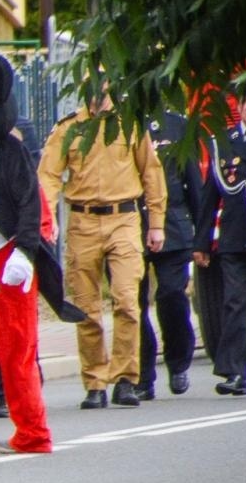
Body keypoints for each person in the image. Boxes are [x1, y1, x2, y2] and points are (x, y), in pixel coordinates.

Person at [39, 86, 167, 407]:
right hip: (82, 221)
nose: (98, 94)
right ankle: (95, 382)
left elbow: (151, 171)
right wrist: (45, 218)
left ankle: (125, 378)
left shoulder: (129, 124)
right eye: (92, 89)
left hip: (123, 218)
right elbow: (49, 176)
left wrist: (156, 223)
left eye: (104, 87)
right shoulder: (69, 128)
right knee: (86, 308)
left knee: (126, 300)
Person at [194, 87, 246, 396]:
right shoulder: (223, 142)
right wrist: (201, 243)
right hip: (235, 235)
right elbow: (210, 195)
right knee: (234, 302)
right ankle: (233, 373)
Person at [139, 111, 202, 398]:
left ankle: (178, 363)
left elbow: (191, 179)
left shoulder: (176, 124)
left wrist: (201, 236)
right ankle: (142, 375)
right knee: (132, 304)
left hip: (173, 225)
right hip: (128, 223)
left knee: (171, 296)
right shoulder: (118, 123)